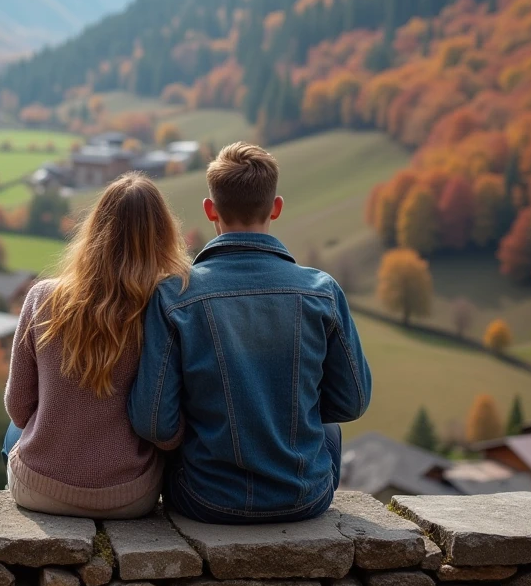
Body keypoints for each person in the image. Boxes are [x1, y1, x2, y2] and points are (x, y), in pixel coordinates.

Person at [128, 142, 372, 524]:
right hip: (304, 499)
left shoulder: (174, 295)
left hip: (205, 499)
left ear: (211, 211)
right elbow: (352, 402)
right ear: (276, 207)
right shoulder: (321, 291)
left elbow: (154, 421)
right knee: (330, 431)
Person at [3, 173, 191, 518]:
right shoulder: (168, 308)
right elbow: (166, 428)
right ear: (163, 236)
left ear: (94, 230)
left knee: (13, 430)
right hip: (128, 498)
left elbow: (18, 407)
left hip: (37, 490)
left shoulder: (42, 298)